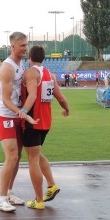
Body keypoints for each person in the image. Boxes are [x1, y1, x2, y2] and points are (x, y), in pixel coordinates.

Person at [20, 45, 69, 210]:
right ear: (43, 58)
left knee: (32, 159)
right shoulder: (49, 74)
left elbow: (32, 95)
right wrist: (66, 108)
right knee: (37, 154)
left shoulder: (31, 73)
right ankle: (51, 186)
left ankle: (38, 200)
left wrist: (23, 112)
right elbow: (60, 97)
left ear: (29, 57)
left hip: (32, 121)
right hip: (45, 122)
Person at [0, 32, 38, 212]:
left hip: (17, 115)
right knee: (11, 156)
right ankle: (2, 199)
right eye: (22, 46)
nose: (25, 48)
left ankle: (9, 193)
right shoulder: (7, 68)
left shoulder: (22, 64)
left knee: (18, 156)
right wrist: (23, 113)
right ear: (12, 46)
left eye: (26, 45)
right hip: (5, 116)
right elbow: (5, 100)